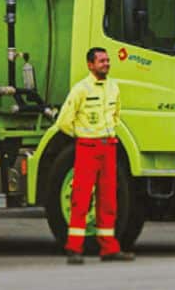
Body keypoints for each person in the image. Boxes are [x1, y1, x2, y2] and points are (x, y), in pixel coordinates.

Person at [54, 47, 134, 263]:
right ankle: (74, 248)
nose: (106, 64)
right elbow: (63, 122)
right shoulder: (81, 89)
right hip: (87, 149)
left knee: (109, 199)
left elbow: (116, 114)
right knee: (81, 199)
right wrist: (82, 135)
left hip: (109, 148)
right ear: (90, 65)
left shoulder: (113, 88)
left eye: (107, 60)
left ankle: (109, 249)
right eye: (101, 61)